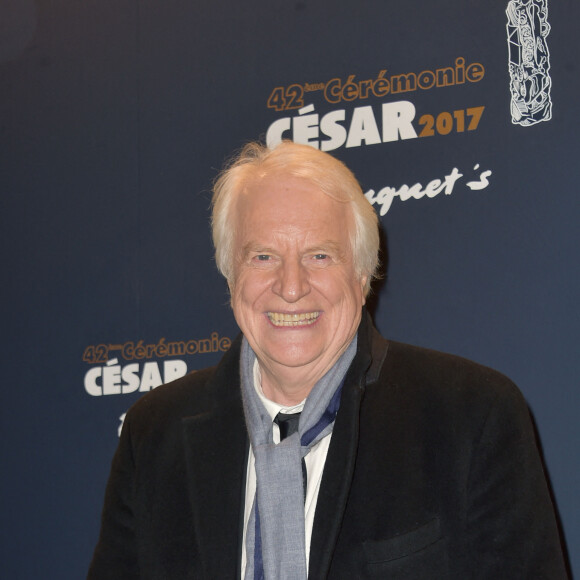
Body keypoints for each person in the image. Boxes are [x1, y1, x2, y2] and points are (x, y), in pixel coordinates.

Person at [88, 141, 567, 579]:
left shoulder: (471, 416)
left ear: (362, 276)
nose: (291, 286)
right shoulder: (154, 435)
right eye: (262, 257)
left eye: (319, 256)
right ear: (230, 275)